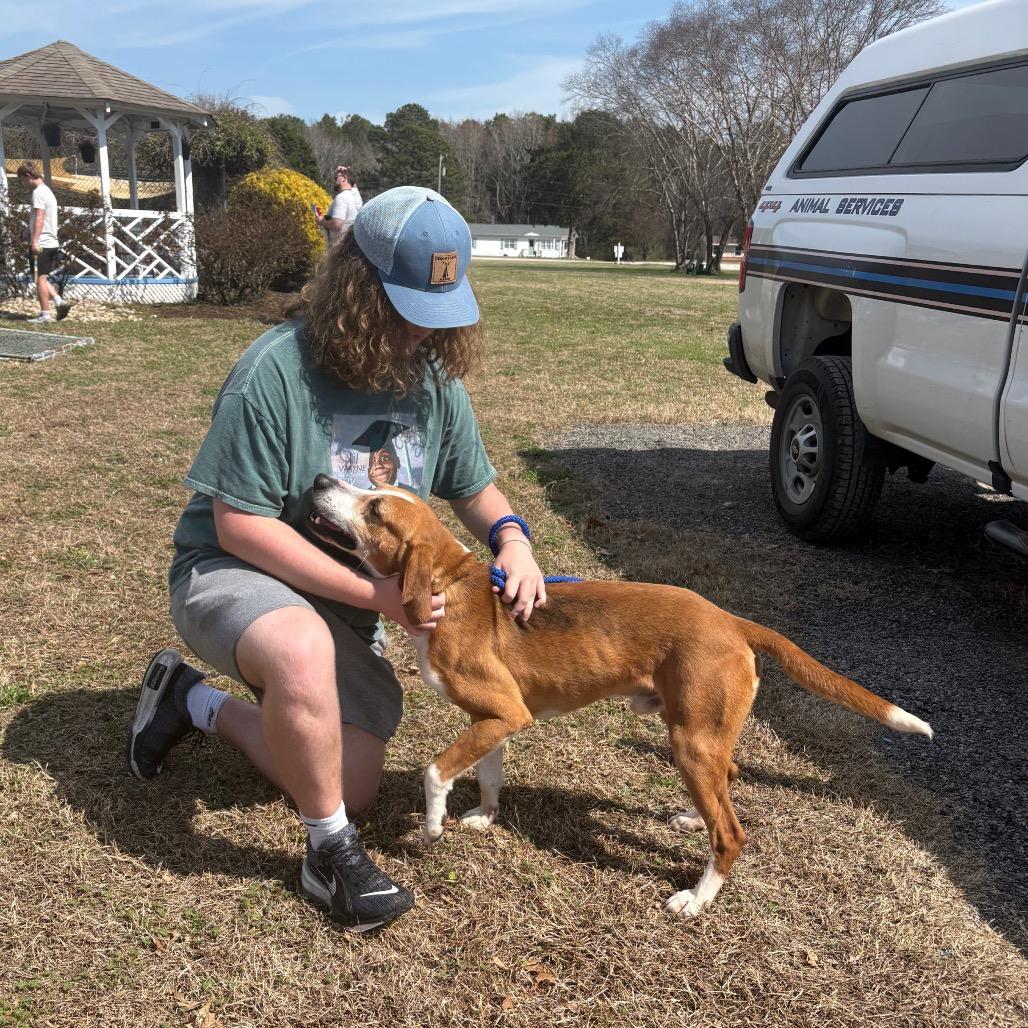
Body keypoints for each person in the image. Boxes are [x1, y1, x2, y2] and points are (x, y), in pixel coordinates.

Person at [126, 186, 547, 933]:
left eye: (436, 314)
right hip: (231, 573)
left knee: (352, 781)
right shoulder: (275, 371)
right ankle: (329, 856)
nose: (421, 331)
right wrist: (379, 596)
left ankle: (191, 700)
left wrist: (512, 537)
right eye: (405, 309)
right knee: (299, 644)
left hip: (345, 606)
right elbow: (238, 526)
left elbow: (474, 484)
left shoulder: (432, 383)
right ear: (357, 288)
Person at [17, 163, 72, 324]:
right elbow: (36, 219)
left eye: (22, 181)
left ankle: (45, 315)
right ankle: (59, 302)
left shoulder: (38, 193)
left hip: (42, 244)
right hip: (50, 242)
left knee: (39, 279)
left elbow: (40, 218)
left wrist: (34, 241)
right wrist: (24, 235)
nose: (23, 184)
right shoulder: (47, 191)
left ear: (28, 176)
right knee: (38, 276)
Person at [315, 165, 363, 246]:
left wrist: (321, 220)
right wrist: (325, 217)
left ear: (344, 178)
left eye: (336, 177)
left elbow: (337, 224)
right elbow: (345, 219)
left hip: (338, 248)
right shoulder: (356, 198)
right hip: (351, 246)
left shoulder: (341, 198)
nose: (335, 179)